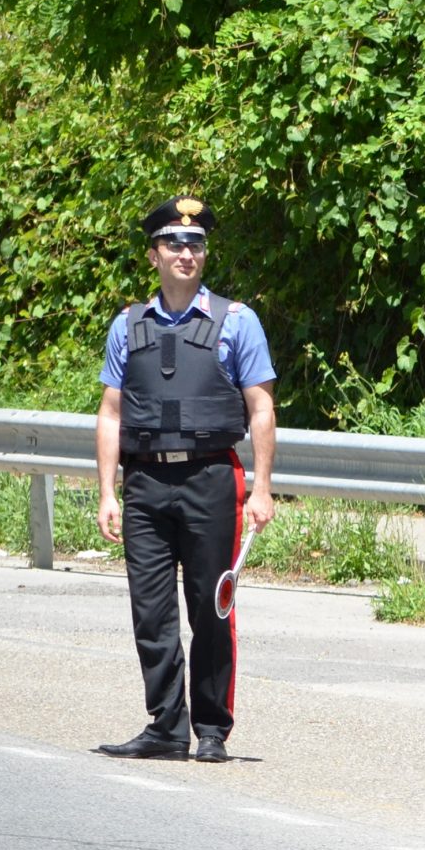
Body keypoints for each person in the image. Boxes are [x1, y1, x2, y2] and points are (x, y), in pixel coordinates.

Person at [92, 196, 277, 763]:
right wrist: (106, 492)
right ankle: (165, 728)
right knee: (151, 612)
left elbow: (262, 407)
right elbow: (111, 413)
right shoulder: (127, 325)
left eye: (194, 243)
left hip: (212, 480)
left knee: (210, 608)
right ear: (153, 255)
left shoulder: (236, 322)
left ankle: (212, 729)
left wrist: (264, 489)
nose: (185, 252)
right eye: (173, 243)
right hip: (145, 484)